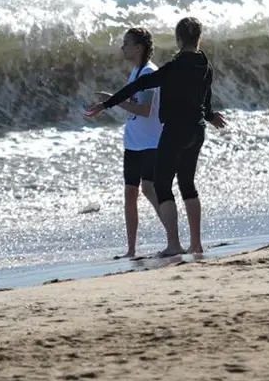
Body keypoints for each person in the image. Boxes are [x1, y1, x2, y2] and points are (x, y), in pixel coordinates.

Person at [85, 16, 228, 258]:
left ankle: (174, 244)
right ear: (198, 38)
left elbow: (138, 87)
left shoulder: (172, 68)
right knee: (187, 185)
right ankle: (196, 244)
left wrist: (107, 104)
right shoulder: (205, 66)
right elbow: (206, 99)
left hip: (175, 131)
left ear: (178, 38)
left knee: (161, 185)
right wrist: (212, 116)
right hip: (197, 129)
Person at [113, 27, 162, 259]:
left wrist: (115, 101)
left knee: (149, 189)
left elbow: (145, 109)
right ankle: (131, 250)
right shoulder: (135, 72)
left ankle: (174, 238)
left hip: (151, 142)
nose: (123, 47)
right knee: (130, 193)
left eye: (126, 43)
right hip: (133, 143)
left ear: (139, 48)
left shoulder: (149, 74)